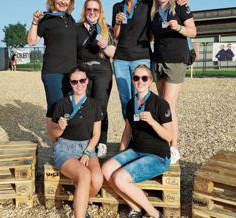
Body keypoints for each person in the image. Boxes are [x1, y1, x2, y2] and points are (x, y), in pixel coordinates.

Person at [102, 64, 173, 218]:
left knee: (119, 178)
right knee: (106, 169)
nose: (140, 81)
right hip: (135, 150)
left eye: (144, 78)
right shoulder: (130, 103)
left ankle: (154, 214)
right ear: (132, 81)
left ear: (150, 81)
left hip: (157, 155)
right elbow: (127, 130)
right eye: (136, 78)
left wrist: (153, 122)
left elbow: (169, 136)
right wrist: (121, 153)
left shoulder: (160, 104)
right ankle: (135, 208)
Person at [112, 0, 188, 119]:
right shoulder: (117, 6)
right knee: (125, 100)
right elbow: (116, 36)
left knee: (141, 97)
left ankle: (140, 132)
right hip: (121, 59)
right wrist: (117, 23)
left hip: (141, 57)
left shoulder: (147, 3)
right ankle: (130, 133)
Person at [49, 66, 103, 218]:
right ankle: (79, 214)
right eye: (74, 81)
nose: (79, 84)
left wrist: (86, 153)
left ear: (87, 81)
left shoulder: (95, 104)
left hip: (87, 146)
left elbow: (96, 134)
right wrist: (59, 127)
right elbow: (53, 133)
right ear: (70, 83)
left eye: (82, 80)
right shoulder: (61, 104)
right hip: (65, 147)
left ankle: (79, 204)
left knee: (97, 179)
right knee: (85, 175)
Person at [151, 0, 196, 164]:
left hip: (175, 60)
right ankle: (164, 143)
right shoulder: (154, 11)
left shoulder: (180, 6)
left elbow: (193, 31)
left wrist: (178, 27)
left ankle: (174, 147)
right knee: (162, 105)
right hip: (158, 61)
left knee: (168, 106)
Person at [27, 0, 77, 143]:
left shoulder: (70, 19)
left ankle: (67, 141)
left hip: (71, 73)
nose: (63, 1)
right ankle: (57, 146)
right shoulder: (46, 19)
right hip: (53, 71)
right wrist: (35, 22)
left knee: (69, 108)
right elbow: (31, 41)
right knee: (55, 109)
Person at [77, 0, 116, 157]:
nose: (92, 12)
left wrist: (105, 46)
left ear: (100, 12)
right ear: (84, 11)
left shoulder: (107, 29)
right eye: (89, 9)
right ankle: (85, 140)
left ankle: (101, 142)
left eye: (96, 9)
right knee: (82, 106)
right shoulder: (76, 28)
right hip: (82, 70)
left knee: (100, 107)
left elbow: (113, 52)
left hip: (102, 70)